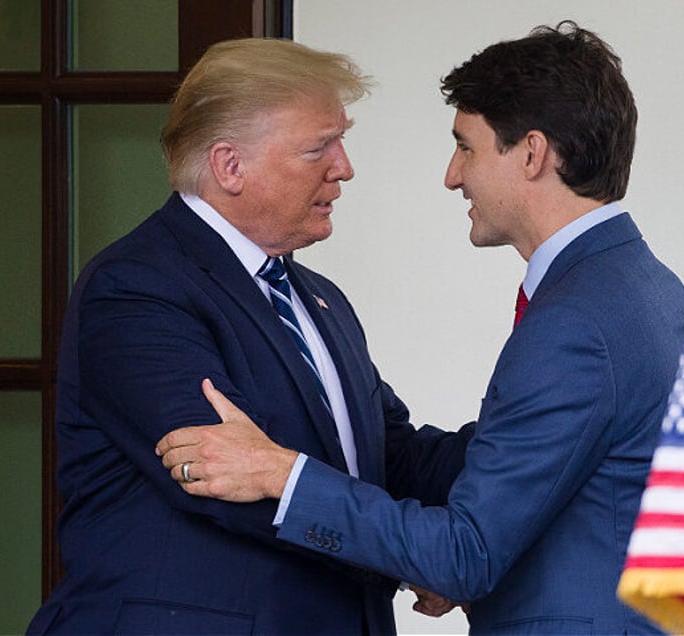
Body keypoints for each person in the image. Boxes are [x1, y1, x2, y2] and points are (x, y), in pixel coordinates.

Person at [157, 21, 684, 635]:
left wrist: (282, 475)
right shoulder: (645, 286)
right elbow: (568, 485)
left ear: (532, 153)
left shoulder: (577, 318)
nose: (452, 174)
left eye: (466, 146)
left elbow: (468, 553)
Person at [26, 37, 473, 635]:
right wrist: (420, 551)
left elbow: (389, 459)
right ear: (230, 165)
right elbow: (227, 486)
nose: (344, 166)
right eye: (320, 147)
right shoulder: (136, 288)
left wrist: (535, 437)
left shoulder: (318, 299)